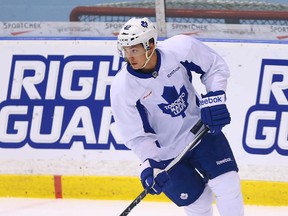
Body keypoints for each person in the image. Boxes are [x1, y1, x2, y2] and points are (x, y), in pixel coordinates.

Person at [110, 17, 244, 216]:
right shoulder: (122, 87)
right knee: (199, 204)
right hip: (167, 153)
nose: (129, 56)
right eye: (126, 50)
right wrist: (150, 164)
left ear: (151, 45)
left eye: (134, 49)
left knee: (228, 186)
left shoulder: (180, 48)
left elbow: (215, 66)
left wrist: (215, 97)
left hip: (201, 132)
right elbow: (136, 135)